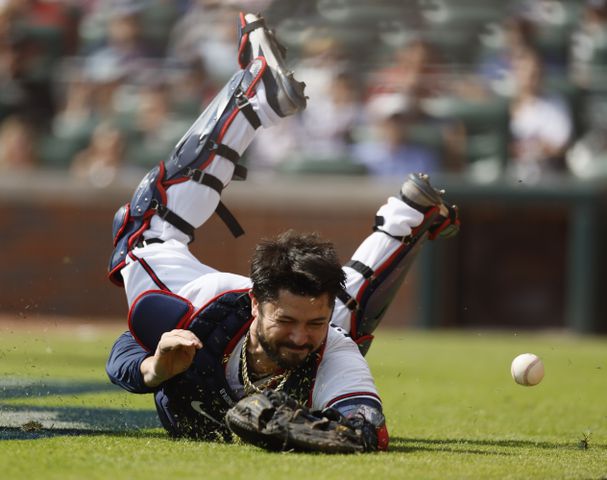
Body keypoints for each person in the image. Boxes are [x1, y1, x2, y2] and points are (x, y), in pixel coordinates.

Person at [105, 12, 459, 451]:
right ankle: (255, 96)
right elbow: (121, 354)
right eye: (286, 320)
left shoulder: (332, 345)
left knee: (345, 321)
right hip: (204, 297)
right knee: (141, 233)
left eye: (314, 321)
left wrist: (314, 434)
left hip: (306, 326)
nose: (299, 336)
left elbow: (368, 426)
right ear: (255, 303)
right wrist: (154, 370)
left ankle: (409, 211)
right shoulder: (190, 313)